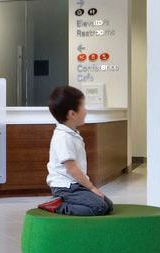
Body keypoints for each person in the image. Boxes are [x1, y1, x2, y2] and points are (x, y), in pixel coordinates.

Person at [37, 85, 112, 216]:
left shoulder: (71, 133)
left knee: (108, 205)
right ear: (72, 114)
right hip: (65, 188)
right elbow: (71, 168)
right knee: (99, 207)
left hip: (75, 184)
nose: (86, 110)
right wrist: (91, 187)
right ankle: (58, 205)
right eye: (83, 106)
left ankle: (67, 202)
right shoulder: (63, 137)